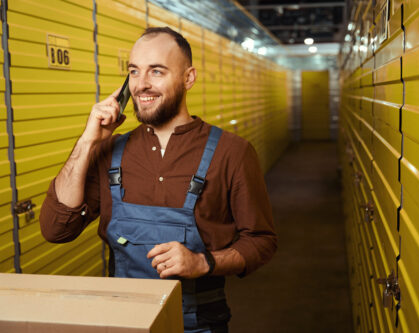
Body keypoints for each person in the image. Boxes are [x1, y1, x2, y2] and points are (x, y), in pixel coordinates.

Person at [40, 26, 277, 333]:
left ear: (188, 78)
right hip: (121, 320)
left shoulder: (232, 152)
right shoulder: (110, 150)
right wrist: (88, 142)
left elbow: (261, 241)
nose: (141, 85)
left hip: (198, 324)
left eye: (157, 71)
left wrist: (205, 263)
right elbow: (56, 229)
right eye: (134, 71)